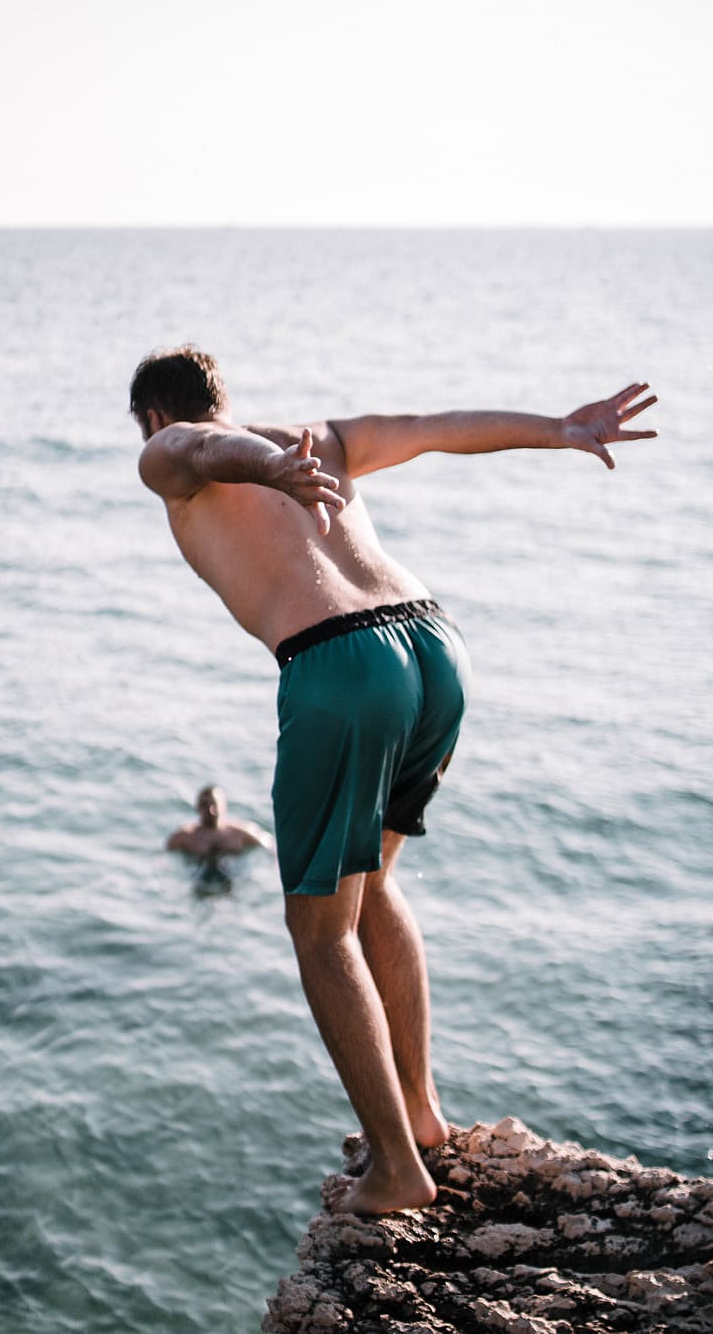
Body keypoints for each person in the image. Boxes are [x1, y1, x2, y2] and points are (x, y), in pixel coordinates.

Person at [130, 345, 657, 1216]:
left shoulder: (173, 448)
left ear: (153, 414)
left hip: (340, 663)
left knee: (320, 928)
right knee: (374, 886)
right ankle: (422, 1114)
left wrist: (266, 468)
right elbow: (434, 429)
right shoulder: (319, 439)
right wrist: (560, 429)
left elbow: (192, 452)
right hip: (434, 646)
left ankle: (395, 1170)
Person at [166, 784, 274, 861]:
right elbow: (163, 857)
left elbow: (271, 845)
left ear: (223, 806)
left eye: (214, 804)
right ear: (197, 808)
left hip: (232, 878)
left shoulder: (241, 833)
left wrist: (275, 864)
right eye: (205, 805)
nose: (210, 810)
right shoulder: (184, 837)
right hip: (199, 876)